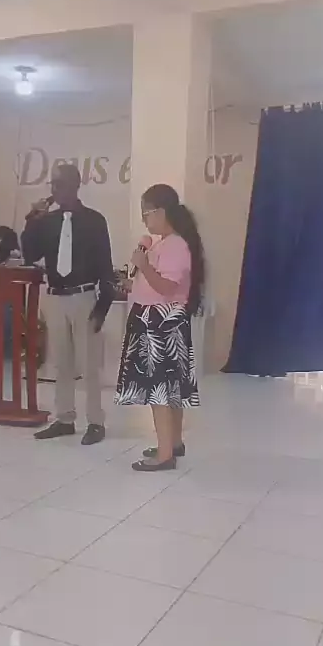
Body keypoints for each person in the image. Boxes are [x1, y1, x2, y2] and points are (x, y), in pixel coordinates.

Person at [21, 163, 114, 445]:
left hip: (84, 297)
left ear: (75, 185)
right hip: (56, 297)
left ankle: (95, 422)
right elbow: (29, 254)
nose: (55, 189)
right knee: (61, 363)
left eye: (59, 184)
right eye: (53, 184)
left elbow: (106, 266)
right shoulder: (47, 222)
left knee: (89, 365)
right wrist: (32, 220)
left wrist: (102, 307)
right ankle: (64, 418)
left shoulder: (94, 220)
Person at [115, 183, 205, 471]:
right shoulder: (161, 243)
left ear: (163, 212)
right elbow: (154, 284)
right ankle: (173, 442)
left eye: (147, 213)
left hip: (162, 324)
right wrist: (133, 283)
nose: (144, 219)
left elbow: (167, 287)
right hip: (155, 320)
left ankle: (165, 454)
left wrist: (144, 266)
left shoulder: (176, 245)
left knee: (161, 391)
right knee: (170, 388)